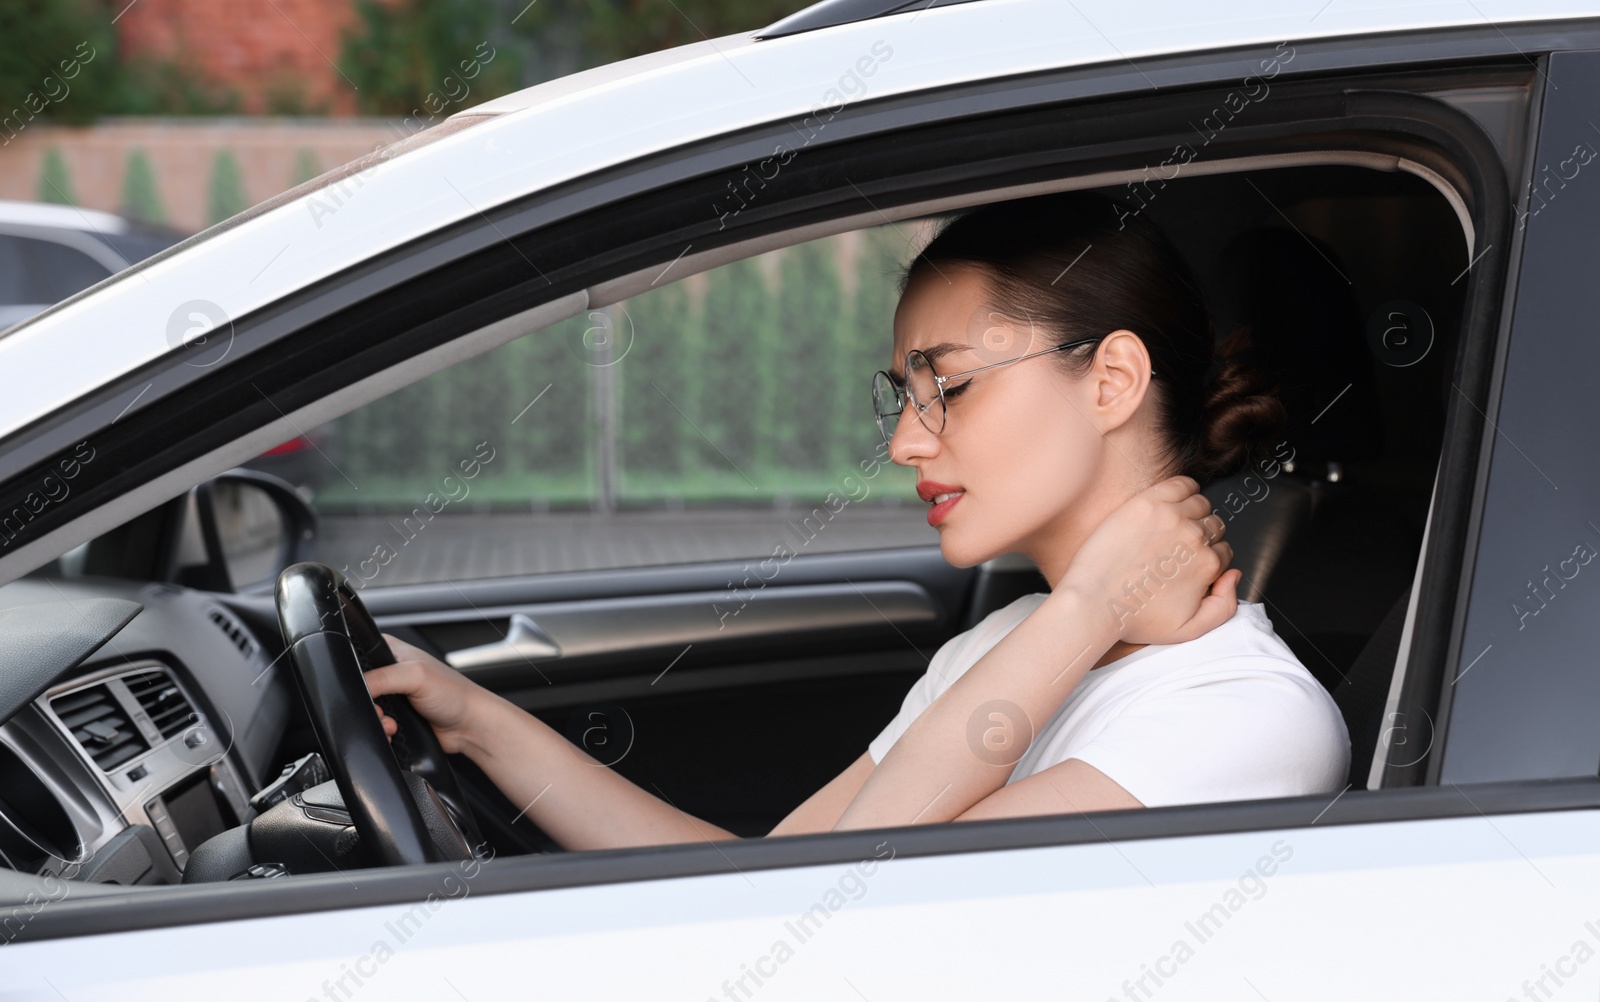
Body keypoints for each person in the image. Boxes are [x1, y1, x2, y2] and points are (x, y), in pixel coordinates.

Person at [362, 190, 1350, 850]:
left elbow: (855, 908)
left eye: (949, 387)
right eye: (901, 398)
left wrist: (1089, 604)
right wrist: (477, 721)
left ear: (1112, 379)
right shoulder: (1007, 644)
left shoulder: (1246, 719)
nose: (905, 446)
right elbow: (762, 885)